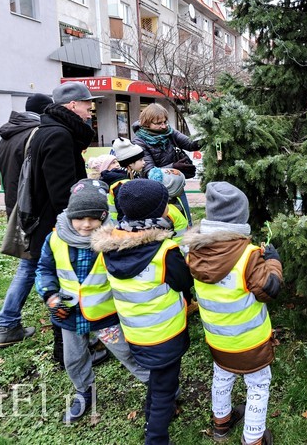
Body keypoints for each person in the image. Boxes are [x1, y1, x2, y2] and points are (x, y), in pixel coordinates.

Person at [0, 81, 100, 358]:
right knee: (63, 282)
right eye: (88, 104)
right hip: (54, 223)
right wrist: (80, 222)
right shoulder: (58, 135)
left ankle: (67, 344)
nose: (91, 110)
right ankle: (65, 348)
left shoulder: (51, 130)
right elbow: (63, 193)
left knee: (51, 277)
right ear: (73, 105)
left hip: (44, 221)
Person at [35, 179, 149, 423]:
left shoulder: (114, 239)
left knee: (127, 353)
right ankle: (84, 391)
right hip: (69, 315)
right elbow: (44, 269)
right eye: (80, 218)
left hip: (105, 317)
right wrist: (50, 295)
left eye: (94, 218)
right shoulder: (55, 239)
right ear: (69, 215)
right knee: (73, 359)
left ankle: (159, 389)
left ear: (105, 216)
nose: (86, 225)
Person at [92, 179, 193, 445]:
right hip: (165, 334)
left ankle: (154, 413)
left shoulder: (109, 251)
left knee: (157, 381)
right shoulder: (165, 251)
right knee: (164, 388)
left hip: (135, 332)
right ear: (159, 212)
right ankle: (156, 438)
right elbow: (184, 281)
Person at [184, 182, 283, 445]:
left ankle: (221, 422)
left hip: (217, 340)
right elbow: (269, 290)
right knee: (259, 385)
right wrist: (273, 261)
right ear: (240, 219)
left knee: (222, 376)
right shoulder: (248, 256)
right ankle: (253, 439)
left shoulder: (193, 252)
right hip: (250, 342)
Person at [133, 103, 199, 225]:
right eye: (158, 123)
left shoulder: (169, 132)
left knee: (186, 221)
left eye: (165, 122)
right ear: (146, 123)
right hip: (155, 191)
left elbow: (191, 144)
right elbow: (149, 171)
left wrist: (202, 134)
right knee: (163, 223)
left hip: (176, 185)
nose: (163, 126)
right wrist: (174, 166)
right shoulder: (139, 142)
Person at [0, 93, 52, 217]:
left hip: (12, 194)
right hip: (28, 199)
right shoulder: (36, 132)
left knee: (17, 232)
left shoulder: (8, 134)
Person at [147, 167, 190, 245]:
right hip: (175, 250)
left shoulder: (175, 200)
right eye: (181, 186)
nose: (184, 186)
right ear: (171, 190)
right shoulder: (165, 212)